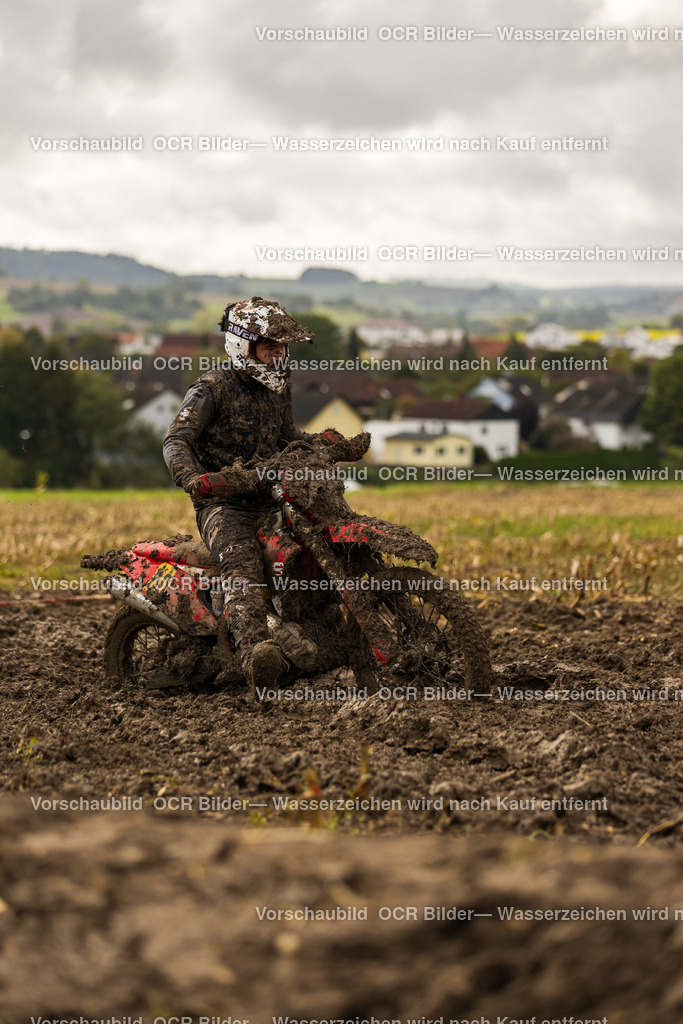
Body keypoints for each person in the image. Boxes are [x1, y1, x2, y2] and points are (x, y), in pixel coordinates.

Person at [162, 296, 343, 690]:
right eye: (269, 347)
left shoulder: (278, 386)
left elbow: (285, 437)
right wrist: (194, 479)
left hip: (275, 496)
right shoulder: (212, 388)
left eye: (282, 347)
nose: (278, 355)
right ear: (242, 346)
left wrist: (323, 444)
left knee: (319, 548)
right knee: (242, 568)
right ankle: (254, 654)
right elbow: (176, 440)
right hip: (224, 504)